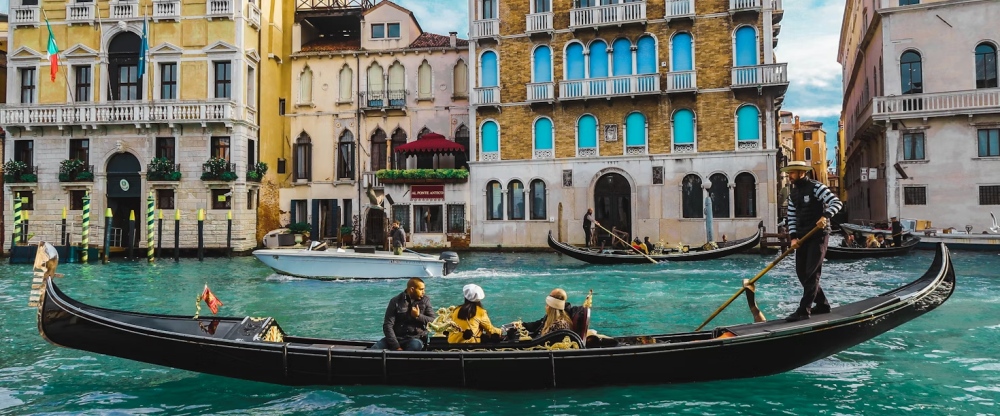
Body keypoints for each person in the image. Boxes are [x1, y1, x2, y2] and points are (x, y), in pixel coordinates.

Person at [783, 160, 843, 322]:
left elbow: (836, 203)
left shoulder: (817, 187)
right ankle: (822, 305)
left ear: (802, 173)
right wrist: (793, 237)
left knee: (811, 273)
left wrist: (825, 216)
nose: (790, 176)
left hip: (818, 235)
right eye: (789, 173)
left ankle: (804, 310)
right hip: (802, 237)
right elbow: (792, 217)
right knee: (801, 273)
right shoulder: (793, 194)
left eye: (792, 173)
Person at [369, 278, 435, 351]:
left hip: (416, 338)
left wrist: (418, 316)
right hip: (396, 338)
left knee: (415, 346)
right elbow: (388, 325)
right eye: (421, 289)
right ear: (412, 289)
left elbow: (433, 321)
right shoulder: (395, 301)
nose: (423, 292)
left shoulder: (425, 301)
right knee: (373, 350)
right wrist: (396, 346)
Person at [522, 288, 587, 337]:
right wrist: (521, 325)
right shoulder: (550, 318)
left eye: (547, 305)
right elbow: (537, 324)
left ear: (551, 307)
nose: (545, 307)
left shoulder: (559, 325)